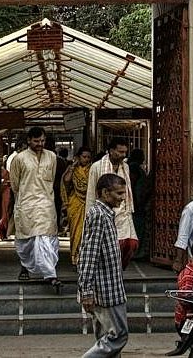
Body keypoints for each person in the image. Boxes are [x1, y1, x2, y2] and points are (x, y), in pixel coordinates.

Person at [77, 173, 130, 358]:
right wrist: (87, 291)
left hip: (109, 288)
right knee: (118, 336)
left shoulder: (105, 214)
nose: (122, 198)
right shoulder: (99, 215)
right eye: (119, 193)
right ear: (105, 193)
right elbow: (88, 255)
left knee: (105, 340)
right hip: (105, 292)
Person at [9, 125, 60, 286]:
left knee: (46, 239)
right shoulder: (20, 158)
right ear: (29, 140)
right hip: (26, 204)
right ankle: (25, 266)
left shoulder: (51, 156)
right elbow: (15, 184)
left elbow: (51, 178)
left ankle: (50, 274)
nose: (40, 144)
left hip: (46, 204)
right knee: (27, 240)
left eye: (43, 140)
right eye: (36, 141)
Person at [86, 140, 137, 268]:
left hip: (123, 212)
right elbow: (91, 193)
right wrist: (89, 215)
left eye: (125, 152)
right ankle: (110, 270)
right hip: (104, 214)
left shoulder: (125, 167)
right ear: (111, 151)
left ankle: (118, 270)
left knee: (131, 244)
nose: (123, 155)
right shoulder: (96, 167)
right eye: (120, 152)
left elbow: (127, 190)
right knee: (108, 247)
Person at [62, 147, 93, 264]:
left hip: (88, 202)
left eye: (88, 157)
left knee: (87, 231)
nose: (86, 159)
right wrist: (72, 167)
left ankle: (86, 257)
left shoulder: (93, 169)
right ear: (78, 157)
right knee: (76, 231)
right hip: (75, 203)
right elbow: (66, 181)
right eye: (84, 157)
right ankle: (75, 256)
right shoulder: (73, 169)